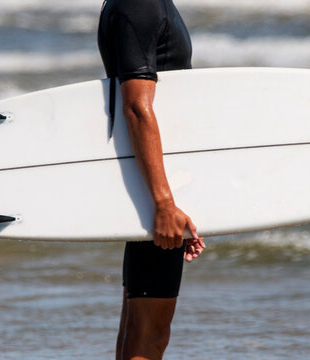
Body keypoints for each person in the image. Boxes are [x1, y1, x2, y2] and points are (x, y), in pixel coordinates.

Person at [97, 0, 206, 359]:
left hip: (153, 180)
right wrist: (163, 203)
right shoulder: (139, 3)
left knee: (139, 328)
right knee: (149, 334)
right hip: (153, 186)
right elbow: (135, 107)